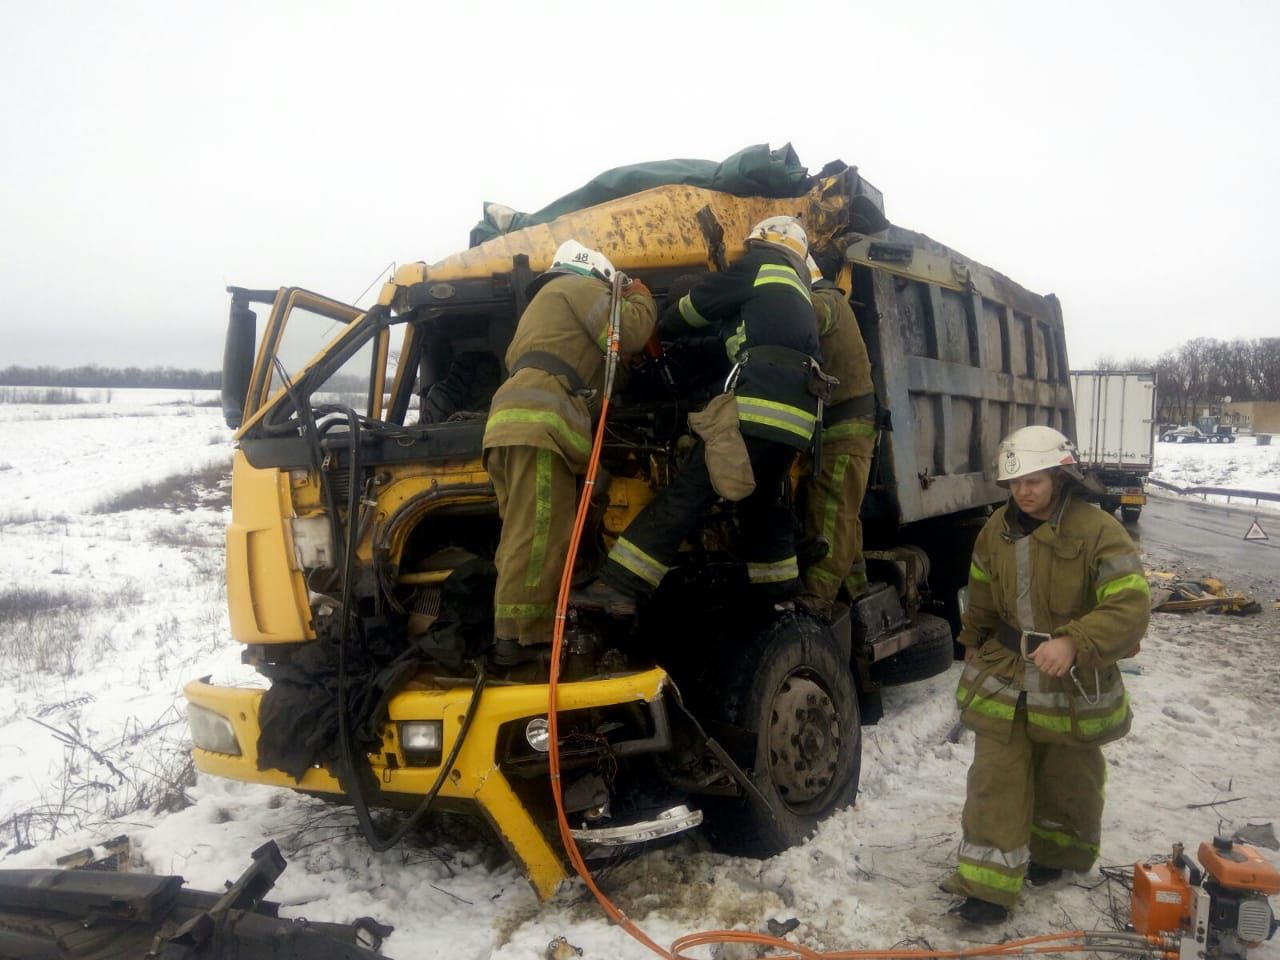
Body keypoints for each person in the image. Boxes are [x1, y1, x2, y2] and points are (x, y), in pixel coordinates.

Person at [940, 425, 1150, 925]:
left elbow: (1130, 604)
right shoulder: (997, 528)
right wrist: (972, 639)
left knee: (1068, 776)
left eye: (1033, 480)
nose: (1023, 492)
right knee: (996, 776)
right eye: (1014, 484)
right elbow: (983, 588)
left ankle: (1056, 857)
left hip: (1070, 681)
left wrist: (1075, 641)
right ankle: (986, 889)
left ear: (1060, 475)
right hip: (1007, 672)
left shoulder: (1099, 529)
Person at [577, 215, 822, 613]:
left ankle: (620, 585)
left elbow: (692, 310)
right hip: (797, 419)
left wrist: (661, 322)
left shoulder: (759, 266)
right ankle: (778, 593)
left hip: (757, 406)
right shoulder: (797, 290)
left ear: (761, 243)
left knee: (690, 490)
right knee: (763, 500)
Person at [482, 240, 656, 666]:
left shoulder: (540, 311)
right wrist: (640, 296)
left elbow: (602, 366)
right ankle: (524, 641)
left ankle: (541, 618)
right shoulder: (578, 289)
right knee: (540, 534)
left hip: (513, 423)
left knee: (527, 530)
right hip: (542, 424)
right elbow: (630, 332)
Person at [798, 254, 876, 615]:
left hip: (844, 428)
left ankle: (820, 596)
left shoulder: (828, 301)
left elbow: (804, 318)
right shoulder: (832, 300)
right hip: (843, 426)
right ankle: (857, 591)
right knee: (844, 511)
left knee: (830, 511)